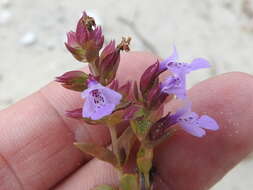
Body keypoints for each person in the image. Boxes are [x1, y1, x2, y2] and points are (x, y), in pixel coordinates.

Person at [0, 52, 252, 190]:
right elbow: (98, 97)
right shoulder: (98, 94)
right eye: (94, 95)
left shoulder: (139, 113)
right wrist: (96, 93)